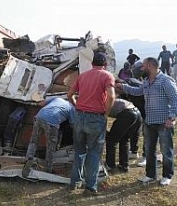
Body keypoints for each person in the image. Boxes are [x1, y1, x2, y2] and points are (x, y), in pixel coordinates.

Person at [116, 57, 177, 186]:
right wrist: (123, 86)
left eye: (143, 66)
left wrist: (171, 118)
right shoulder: (146, 82)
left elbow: (175, 99)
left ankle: (167, 175)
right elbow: (138, 92)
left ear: (149, 66)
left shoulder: (166, 81)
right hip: (149, 122)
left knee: (166, 151)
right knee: (149, 150)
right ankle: (150, 175)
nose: (141, 69)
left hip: (164, 123)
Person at [67, 52, 115, 194]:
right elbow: (111, 96)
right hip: (96, 118)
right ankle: (90, 187)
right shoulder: (107, 76)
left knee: (79, 151)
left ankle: (75, 182)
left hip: (79, 116)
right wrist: (106, 114)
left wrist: (76, 106)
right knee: (94, 152)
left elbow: (69, 95)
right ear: (105, 64)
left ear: (92, 63)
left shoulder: (82, 76)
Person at [22, 97, 76, 177]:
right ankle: (48, 169)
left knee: (33, 141)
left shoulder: (57, 98)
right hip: (51, 123)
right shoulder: (72, 108)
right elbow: (73, 125)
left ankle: (29, 159)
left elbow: (41, 103)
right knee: (51, 147)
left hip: (39, 117)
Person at [105, 98, 142, 172]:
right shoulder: (106, 98)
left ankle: (110, 165)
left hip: (127, 114)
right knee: (124, 139)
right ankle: (124, 165)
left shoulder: (96, 102)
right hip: (137, 113)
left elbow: (101, 120)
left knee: (111, 140)